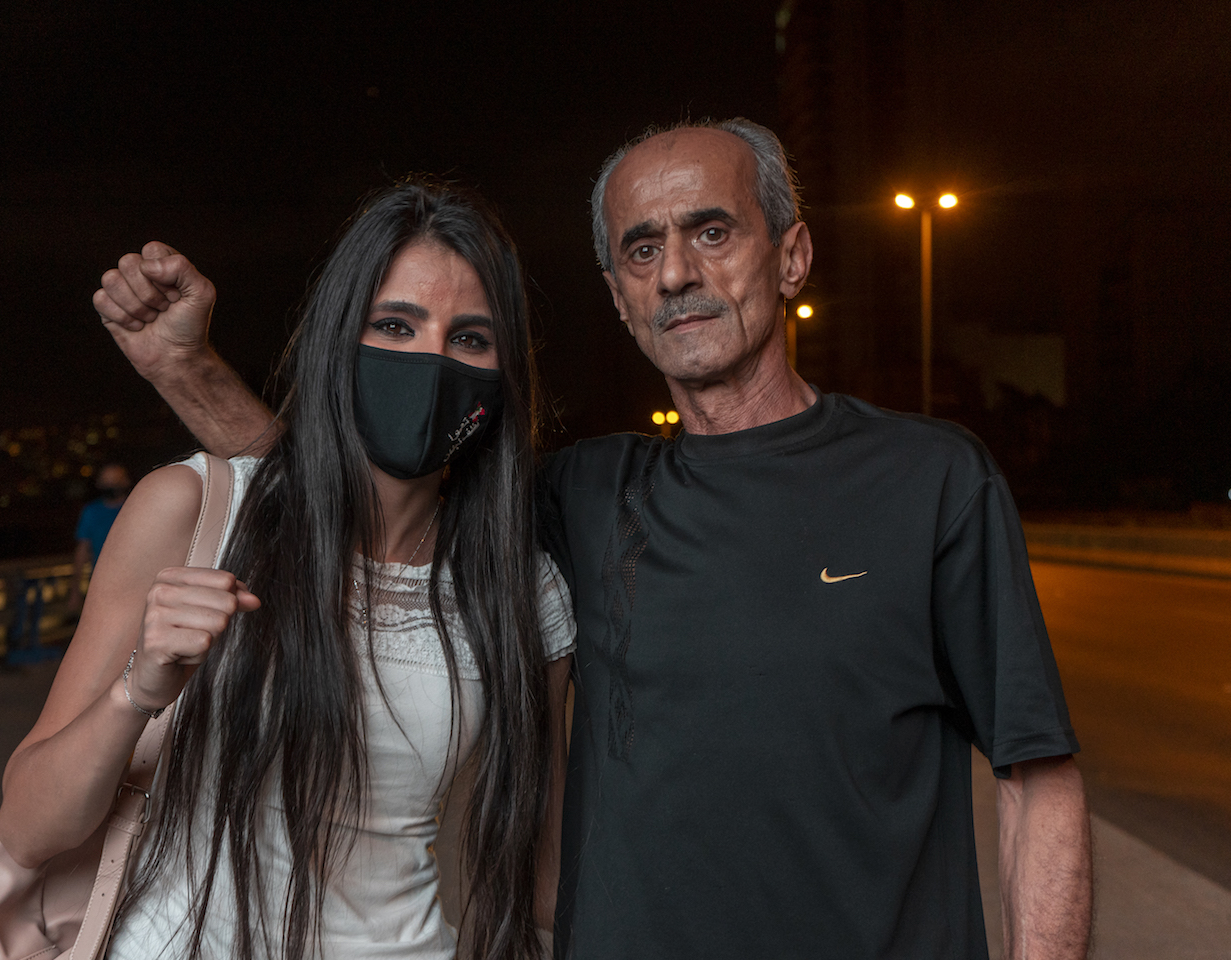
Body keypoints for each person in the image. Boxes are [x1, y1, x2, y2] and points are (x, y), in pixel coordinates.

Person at [95, 120, 1092, 960]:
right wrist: (188, 375)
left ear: (790, 255)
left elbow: (1036, 777)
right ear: (618, 295)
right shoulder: (580, 495)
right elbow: (352, 509)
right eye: (643, 249)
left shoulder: (931, 479)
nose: (679, 274)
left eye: (713, 231)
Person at [0, 180, 576, 960]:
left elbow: (535, 866)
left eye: (469, 338)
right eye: (396, 325)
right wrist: (140, 687)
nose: (430, 359)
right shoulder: (191, 507)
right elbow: (30, 828)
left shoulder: (521, 590)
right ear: (340, 337)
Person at [68, 462, 132, 614]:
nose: (111, 486)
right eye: (107, 482)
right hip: (100, 585)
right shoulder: (91, 511)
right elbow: (82, 550)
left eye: (115, 481)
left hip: (134, 584)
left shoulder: (135, 508)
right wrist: (75, 590)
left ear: (125, 482)